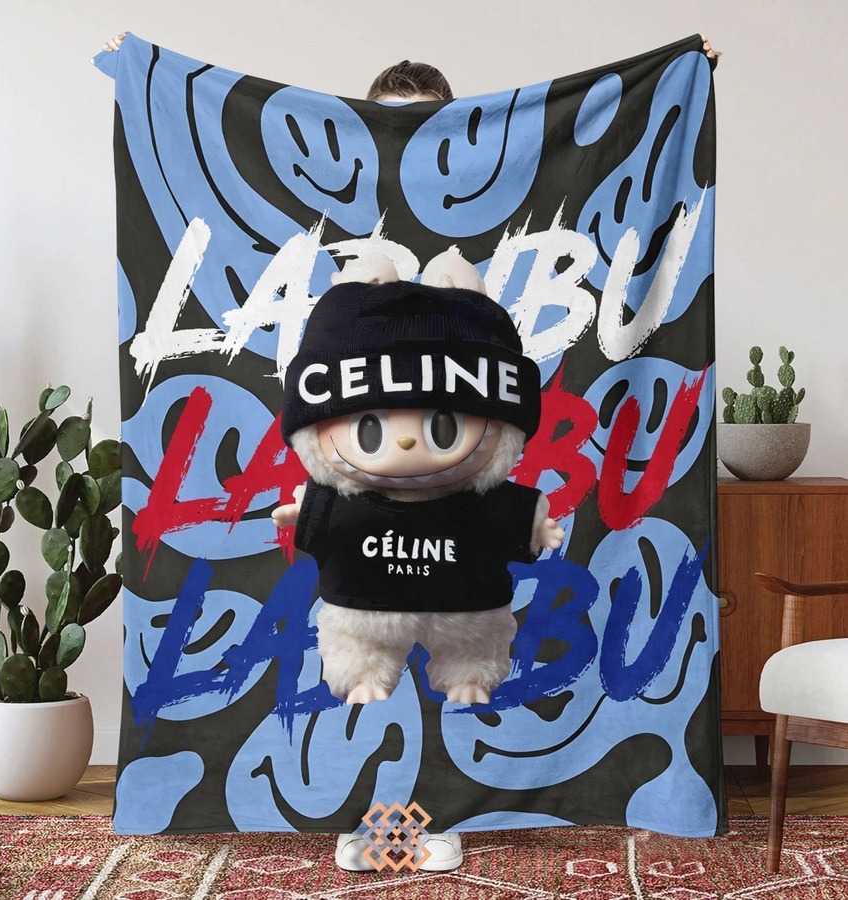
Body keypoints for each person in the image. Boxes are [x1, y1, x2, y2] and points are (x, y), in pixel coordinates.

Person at [99, 30, 720, 875]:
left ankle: (440, 819)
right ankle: (379, 825)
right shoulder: (345, 274)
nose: (407, 153)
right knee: (363, 675)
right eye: (391, 128)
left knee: (456, 671)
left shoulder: (476, 278)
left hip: (459, 545)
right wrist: (148, 79)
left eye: (426, 131)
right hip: (367, 543)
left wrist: (680, 77)